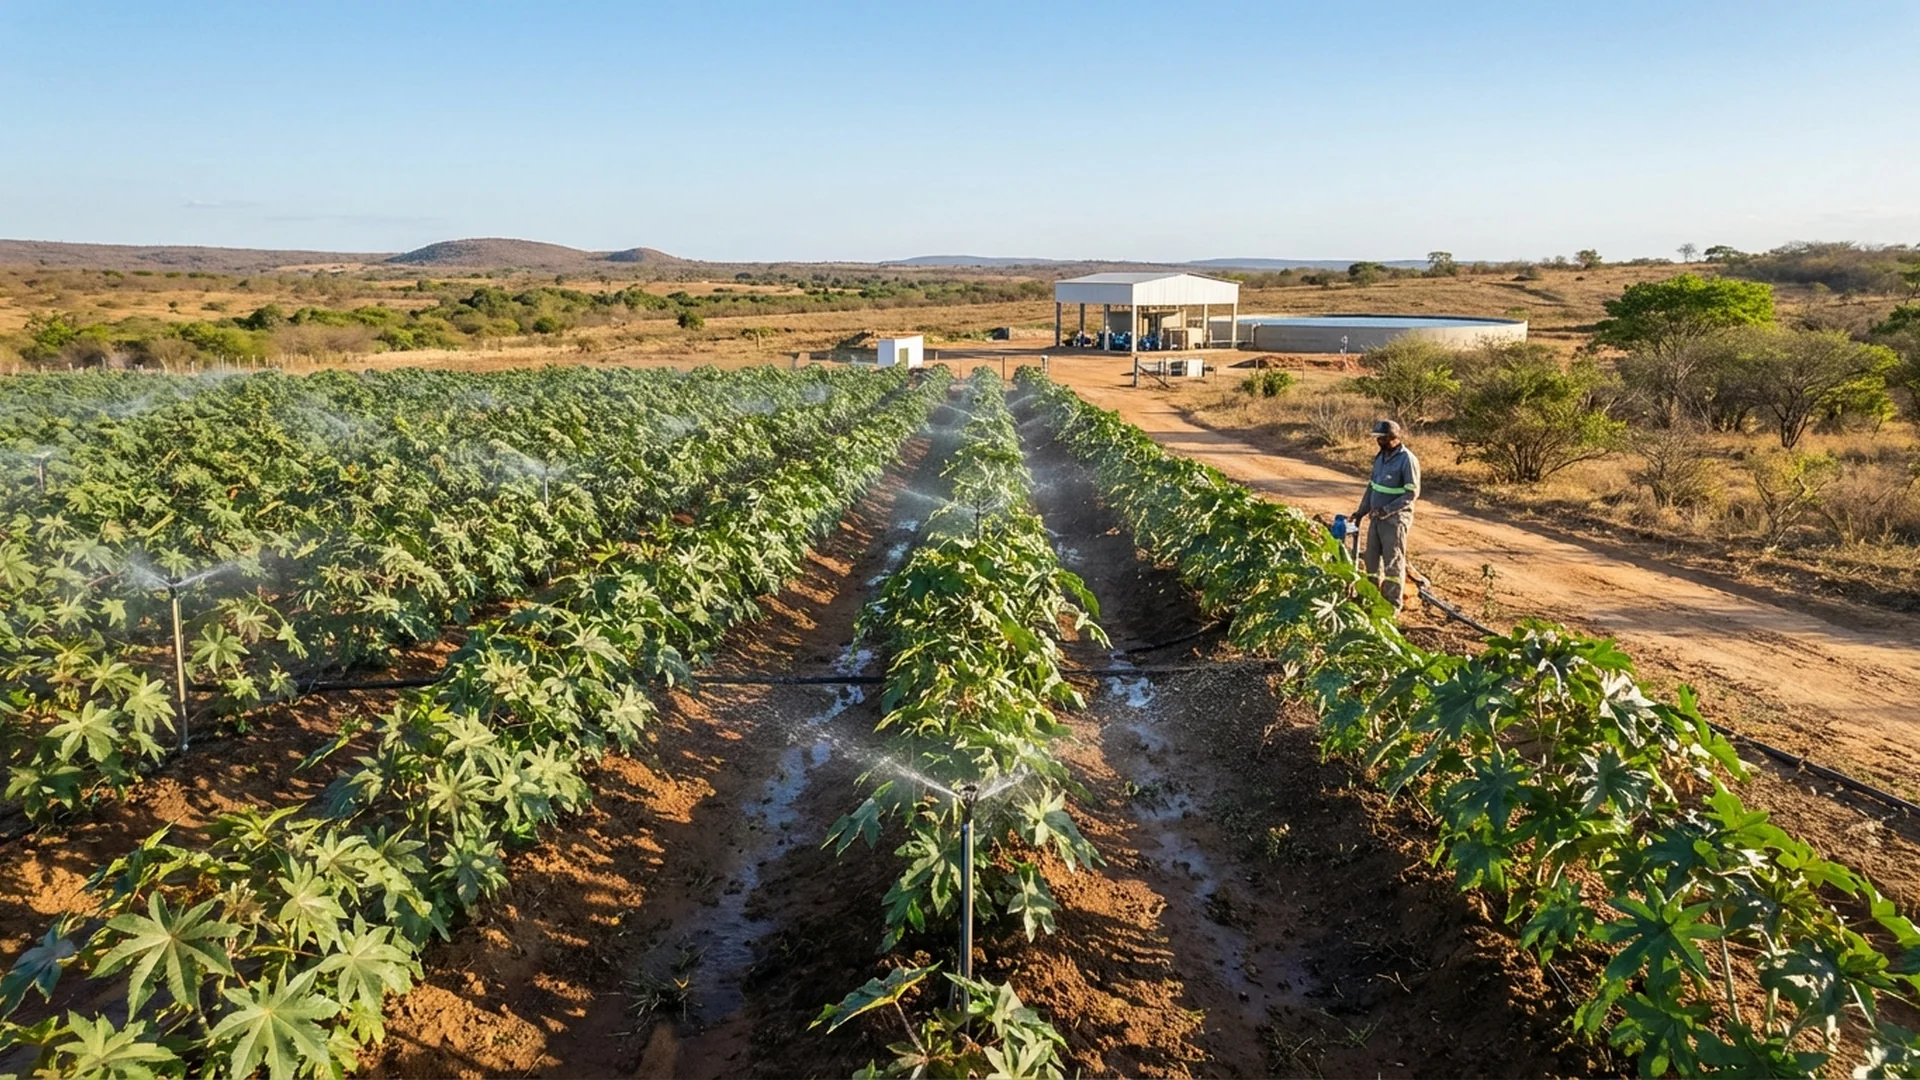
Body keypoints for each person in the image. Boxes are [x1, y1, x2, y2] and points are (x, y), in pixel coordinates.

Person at [1352, 419, 1421, 612]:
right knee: (1372, 560)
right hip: (1375, 518)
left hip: (1394, 520)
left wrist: (1386, 510)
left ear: (1393, 437)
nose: (1378, 442)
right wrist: (1361, 511)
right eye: (1377, 438)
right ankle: (1371, 599)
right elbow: (1372, 487)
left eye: (1382, 438)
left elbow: (1411, 493)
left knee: (1393, 563)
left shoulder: (1407, 459)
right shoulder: (1380, 457)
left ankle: (1392, 606)